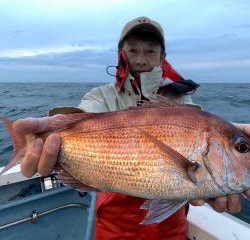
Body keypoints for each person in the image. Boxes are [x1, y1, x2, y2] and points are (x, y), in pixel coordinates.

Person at [13, 17, 250, 240]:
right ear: (121, 54)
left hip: (170, 225)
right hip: (113, 221)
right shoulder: (102, 96)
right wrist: (53, 131)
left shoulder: (182, 103)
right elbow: (85, 114)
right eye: (133, 49)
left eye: (150, 50)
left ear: (162, 57)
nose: (141, 58)